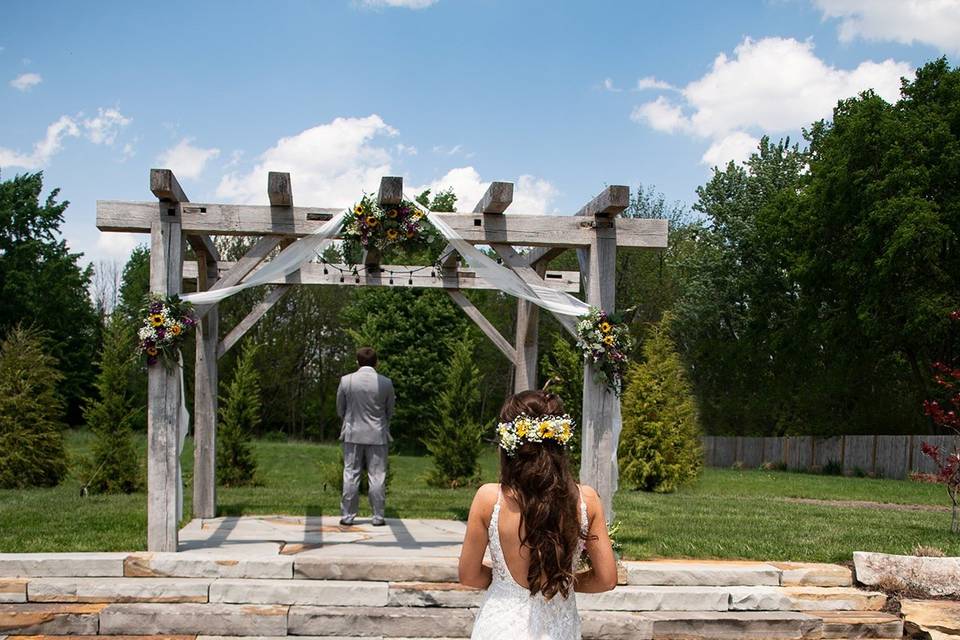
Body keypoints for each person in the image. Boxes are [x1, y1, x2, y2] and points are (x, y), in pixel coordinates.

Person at [459, 390, 618, 640]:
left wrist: (503, 580)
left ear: (509, 443)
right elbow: (607, 579)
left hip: (500, 627)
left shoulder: (488, 499)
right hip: (558, 629)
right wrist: (561, 581)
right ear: (559, 440)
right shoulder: (586, 501)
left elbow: (468, 575)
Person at [336, 346, 395, 527]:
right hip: (377, 434)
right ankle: (378, 516)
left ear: (357, 362)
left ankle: (347, 516)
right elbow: (390, 409)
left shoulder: (347, 381)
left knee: (350, 474)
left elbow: (340, 407)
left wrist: (348, 420)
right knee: (377, 476)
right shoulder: (386, 382)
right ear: (376, 363)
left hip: (353, 433)